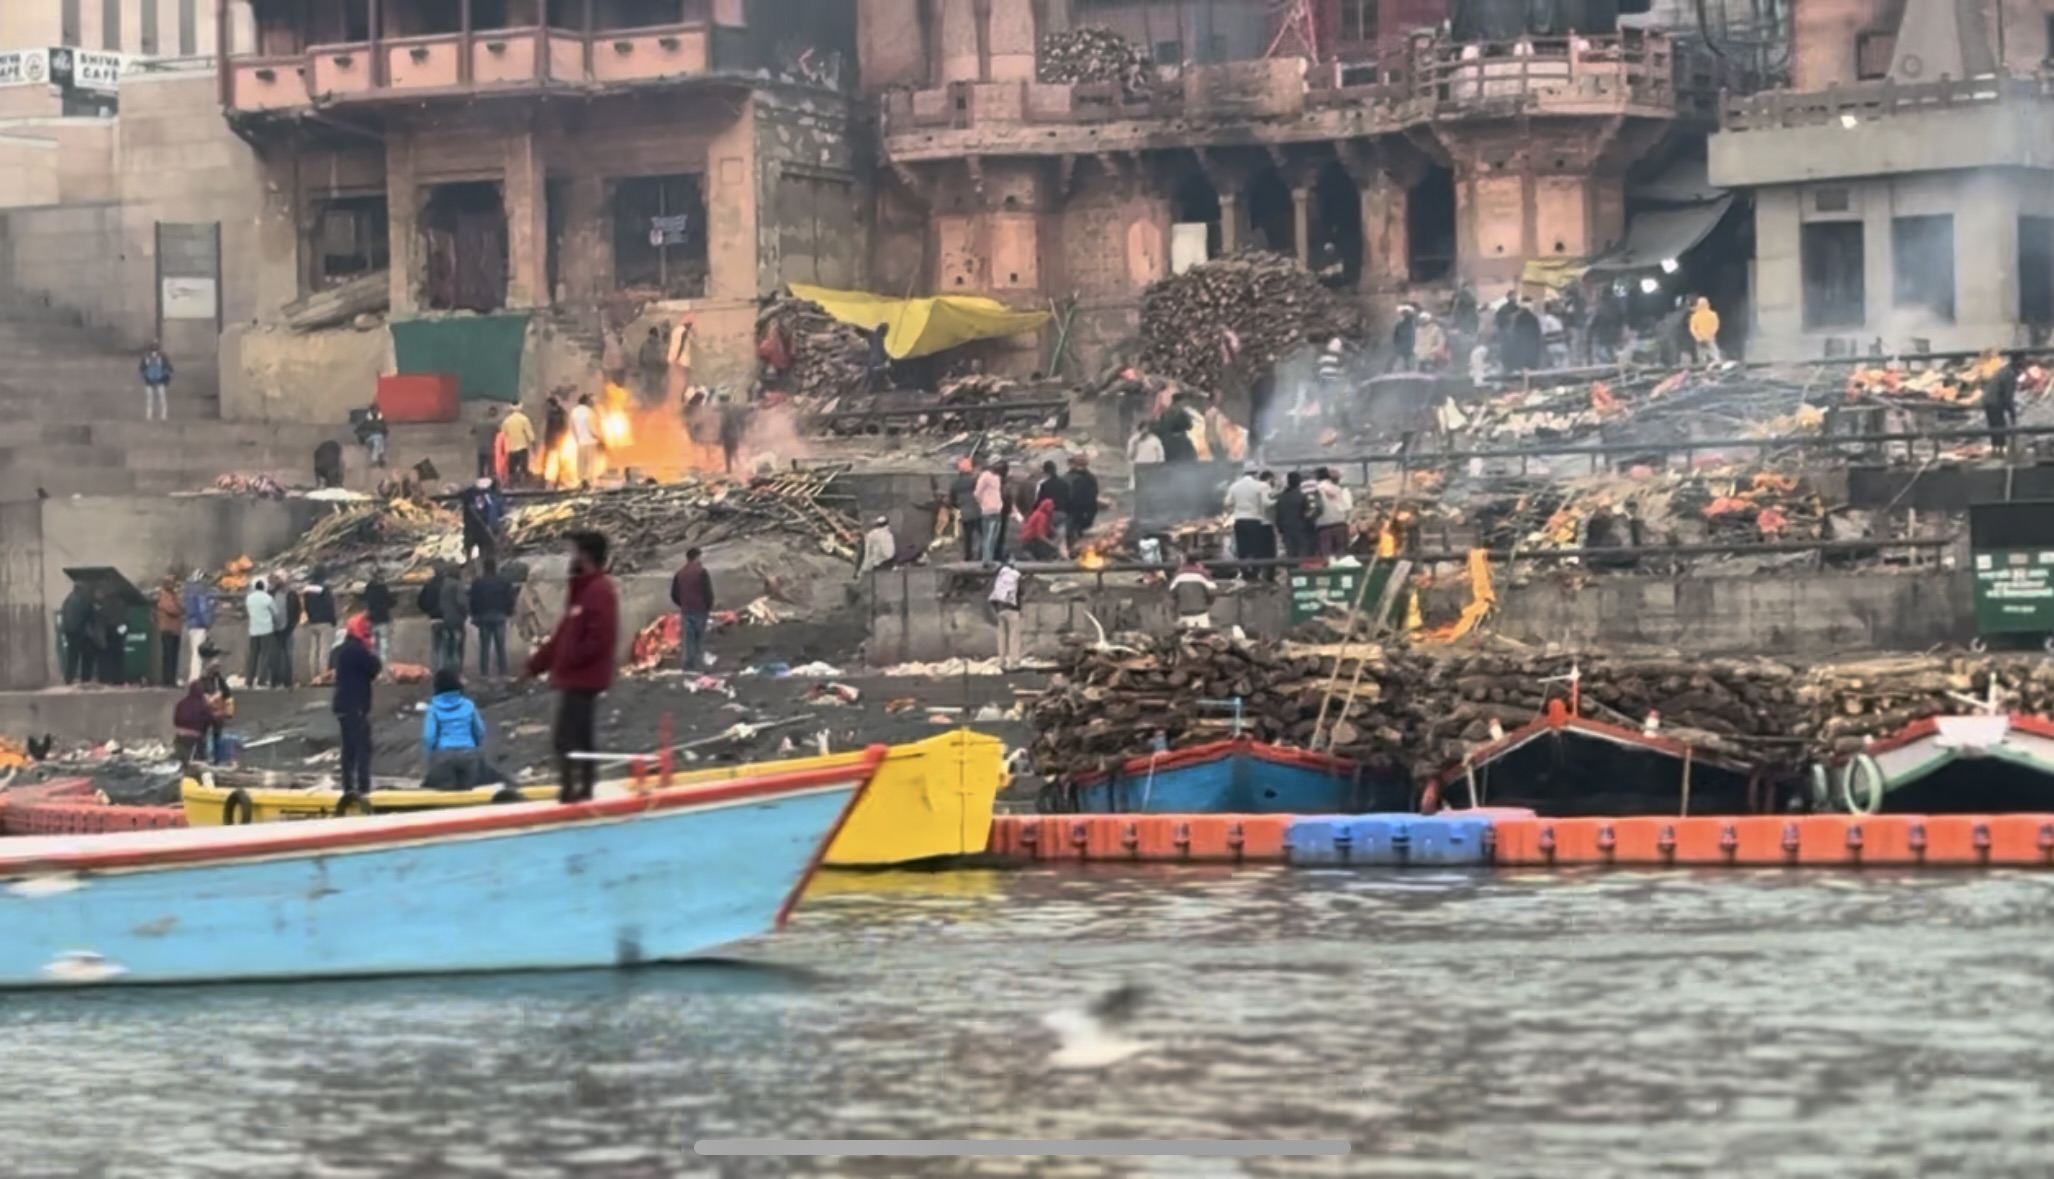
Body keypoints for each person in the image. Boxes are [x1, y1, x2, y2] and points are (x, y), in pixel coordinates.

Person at [526, 531, 620, 804]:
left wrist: (569, 660)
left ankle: (575, 792)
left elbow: (598, 638)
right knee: (579, 736)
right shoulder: (581, 590)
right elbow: (563, 636)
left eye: (574, 551)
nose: (571, 557)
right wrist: (537, 664)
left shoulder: (599, 590)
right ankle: (580, 789)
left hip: (584, 678)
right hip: (574, 676)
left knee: (567, 739)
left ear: (586, 555)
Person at [332, 613, 382, 799]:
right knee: (362, 746)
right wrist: (371, 649)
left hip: (344, 703)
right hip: (355, 705)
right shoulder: (356, 650)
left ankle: (348, 786)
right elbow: (374, 667)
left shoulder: (344, 649)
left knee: (349, 747)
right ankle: (362, 786)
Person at [422, 667, 489, 788]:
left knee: (446, 791)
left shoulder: (433, 708)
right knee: (468, 791)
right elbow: (479, 730)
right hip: (469, 753)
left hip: (443, 755)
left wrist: (430, 756)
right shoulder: (468, 705)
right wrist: (475, 747)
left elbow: (429, 737)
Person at [1225, 464, 1278, 581]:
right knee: (1255, 549)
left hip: (1239, 521)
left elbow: (1227, 503)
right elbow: (1266, 503)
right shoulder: (1260, 486)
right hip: (1254, 520)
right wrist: (1278, 500)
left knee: (1243, 549)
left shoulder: (1235, 486)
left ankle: (1245, 574)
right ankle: (1254, 572)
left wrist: (1238, 507)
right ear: (1255, 473)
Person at [469, 558, 516, 679]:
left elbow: (473, 600)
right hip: (500, 615)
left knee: (484, 646)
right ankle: (503, 672)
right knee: (500, 646)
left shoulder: (478, 582)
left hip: (484, 616)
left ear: (484, 569)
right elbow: (510, 598)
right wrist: (509, 612)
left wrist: (474, 615)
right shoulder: (504, 581)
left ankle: (484, 673)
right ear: (496, 568)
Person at [670, 546, 714, 672]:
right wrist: (708, 606)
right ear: (697, 557)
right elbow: (707, 591)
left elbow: (674, 594)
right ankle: (700, 663)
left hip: (686, 609)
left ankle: (688, 663)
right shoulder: (701, 572)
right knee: (700, 637)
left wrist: (682, 603)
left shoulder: (679, 574)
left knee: (688, 638)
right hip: (700, 608)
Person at [172, 679, 219, 770]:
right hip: (195, 738)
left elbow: (176, 720)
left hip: (180, 736)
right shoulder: (203, 705)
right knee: (199, 760)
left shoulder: (182, 703)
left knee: (180, 761)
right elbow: (212, 721)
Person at [988, 557, 1024, 671]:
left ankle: (1001, 661)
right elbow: (1021, 592)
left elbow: (993, 594)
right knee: (1014, 637)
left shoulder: (999, 576)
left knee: (1001, 637)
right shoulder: (1016, 576)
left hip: (1001, 610)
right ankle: (1014, 662)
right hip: (1013, 610)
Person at [59, 581, 96, 685]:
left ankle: (69, 678)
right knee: (87, 656)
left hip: (71, 633)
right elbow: (90, 615)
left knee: (72, 657)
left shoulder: (68, 599)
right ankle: (86, 679)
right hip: (82, 633)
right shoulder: (84, 599)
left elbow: (65, 616)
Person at [300, 573, 337, 676]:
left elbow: (305, 607)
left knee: (314, 649)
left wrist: (310, 618)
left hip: (313, 622)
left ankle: (313, 674)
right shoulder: (325, 589)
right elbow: (330, 605)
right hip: (325, 622)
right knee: (324, 649)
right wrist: (333, 620)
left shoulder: (307, 590)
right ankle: (323, 673)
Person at [244, 577, 278, 688]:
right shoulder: (267, 598)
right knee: (265, 656)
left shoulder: (249, 598)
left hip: (253, 630)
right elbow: (275, 612)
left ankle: (249, 680)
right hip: (266, 630)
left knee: (252, 656)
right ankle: (262, 680)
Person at [462, 478, 504, 564]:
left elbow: (498, 513)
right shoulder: (471, 497)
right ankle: (470, 566)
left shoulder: (493, 498)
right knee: (470, 548)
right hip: (473, 529)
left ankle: (487, 566)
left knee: (486, 549)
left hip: (487, 530)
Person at [1275, 471, 1317, 559]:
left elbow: (1278, 516)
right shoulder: (1302, 496)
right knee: (1304, 555)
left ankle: (1292, 572)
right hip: (1302, 530)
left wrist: (1281, 529)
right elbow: (1308, 513)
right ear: (1299, 482)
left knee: (1291, 555)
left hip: (1287, 530)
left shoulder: (1282, 497)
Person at [181, 572, 213, 685]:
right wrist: (207, 623)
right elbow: (203, 610)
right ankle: (196, 677)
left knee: (194, 651)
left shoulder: (188, 592)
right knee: (199, 653)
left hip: (191, 625)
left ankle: (193, 676)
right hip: (200, 625)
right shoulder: (200, 593)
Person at [1169, 556, 1218, 630]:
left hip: (1184, 614)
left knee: (1186, 638)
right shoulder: (1203, 574)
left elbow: (1171, 592)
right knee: (1205, 637)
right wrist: (1208, 603)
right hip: (1201, 614)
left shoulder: (1178, 575)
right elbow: (1213, 591)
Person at [1314, 468, 1354, 556]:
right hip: (1341, 525)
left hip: (1324, 526)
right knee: (1341, 554)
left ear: (1316, 477)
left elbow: (1317, 508)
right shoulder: (1338, 488)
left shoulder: (1317, 489)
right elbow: (1347, 506)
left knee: (1327, 556)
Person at [438, 564, 470, 673]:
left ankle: (448, 670)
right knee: (459, 647)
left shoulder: (443, 584)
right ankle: (458, 672)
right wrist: (465, 612)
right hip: (457, 620)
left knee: (448, 648)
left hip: (445, 619)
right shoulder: (457, 585)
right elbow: (462, 602)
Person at [975, 460, 1009, 563]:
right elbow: (977, 493)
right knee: (988, 536)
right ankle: (986, 559)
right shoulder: (985, 476)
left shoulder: (997, 478)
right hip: (988, 510)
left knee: (994, 536)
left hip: (997, 510)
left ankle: (991, 557)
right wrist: (982, 504)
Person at [154, 572, 184, 687]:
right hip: (167, 630)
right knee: (168, 656)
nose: (173, 585)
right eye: (171, 583)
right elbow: (173, 610)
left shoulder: (174, 596)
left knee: (174, 656)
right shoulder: (163, 596)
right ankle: (167, 680)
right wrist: (179, 608)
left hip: (176, 630)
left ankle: (172, 679)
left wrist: (179, 606)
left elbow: (182, 607)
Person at [950, 457, 982, 563]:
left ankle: (968, 557)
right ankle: (983, 555)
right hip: (977, 512)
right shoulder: (974, 481)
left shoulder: (955, 484)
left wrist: (959, 506)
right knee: (983, 535)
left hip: (965, 513)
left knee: (968, 537)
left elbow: (952, 500)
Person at [1985, 356, 2020, 450]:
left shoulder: (2004, 370)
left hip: (1989, 401)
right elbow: (2008, 397)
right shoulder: (2010, 374)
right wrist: (2012, 413)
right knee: (2000, 428)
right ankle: (2001, 450)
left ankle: (1996, 449)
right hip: (1995, 401)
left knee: (1994, 428)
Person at [1064, 454, 1100, 543]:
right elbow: (1092, 496)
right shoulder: (1090, 478)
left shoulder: (1069, 477)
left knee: (1074, 533)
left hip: (1074, 511)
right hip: (1082, 512)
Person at [271, 575, 299, 688]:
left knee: (285, 656)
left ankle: (285, 681)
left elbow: (297, 610)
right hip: (278, 629)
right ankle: (278, 681)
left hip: (285, 628)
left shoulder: (291, 595)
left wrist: (292, 624)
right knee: (279, 656)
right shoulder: (273, 595)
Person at [363, 569, 396, 664]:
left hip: (371, 620)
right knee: (384, 645)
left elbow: (365, 600)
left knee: (373, 646)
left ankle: (373, 667)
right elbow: (390, 601)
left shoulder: (368, 587)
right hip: (383, 619)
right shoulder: (383, 587)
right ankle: (383, 668)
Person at [570, 394, 602, 487]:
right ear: (587, 401)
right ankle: (589, 483)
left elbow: (572, 427)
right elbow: (592, 428)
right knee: (590, 465)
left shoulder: (574, 411)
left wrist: (577, 439)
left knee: (581, 465)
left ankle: (582, 480)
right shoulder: (589, 412)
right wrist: (600, 438)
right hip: (591, 441)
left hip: (580, 442)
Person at [139, 342, 173, 421]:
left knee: (160, 398)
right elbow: (142, 368)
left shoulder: (163, 357)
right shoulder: (145, 357)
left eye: (156, 349)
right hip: (149, 380)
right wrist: (144, 376)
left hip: (160, 380)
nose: (154, 352)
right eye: (153, 349)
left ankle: (163, 415)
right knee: (151, 398)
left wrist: (166, 376)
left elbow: (169, 368)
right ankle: (149, 415)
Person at [638, 326, 669, 401]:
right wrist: (641, 364)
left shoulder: (660, 345)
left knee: (655, 388)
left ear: (655, 335)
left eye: (652, 335)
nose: (651, 337)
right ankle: (646, 402)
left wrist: (664, 368)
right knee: (646, 387)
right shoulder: (645, 343)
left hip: (656, 370)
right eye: (650, 335)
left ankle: (654, 403)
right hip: (647, 369)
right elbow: (641, 354)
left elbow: (663, 357)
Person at [1689, 296, 1723, 365]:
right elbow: (1716, 326)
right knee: (1715, 356)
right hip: (1709, 339)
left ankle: (1703, 368)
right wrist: (1710, 335)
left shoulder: (1695, 316)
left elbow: (1692, 329)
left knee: (1702, 358)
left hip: (1702, 340)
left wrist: (1698, 338)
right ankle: (1717, 365)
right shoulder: (1713, 315)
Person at [355, 402, 390, 468]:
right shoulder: (366, 420)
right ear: (371, 411)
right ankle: (379, 458)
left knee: (379, 439)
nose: (375, 412)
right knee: (379, 438)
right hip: (369, 438)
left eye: (376, 410)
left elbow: (385, 430)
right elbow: (358, 430)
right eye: (374, 410)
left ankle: (376, 459)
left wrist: (384, 433)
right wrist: (363, 437)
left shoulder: (381, 419)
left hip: (379, 439)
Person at [473, 406, 502, 480]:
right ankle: (490, 483)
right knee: (490, 469)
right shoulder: (493, 424)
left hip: (481, 449)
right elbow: (499, 433)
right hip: (490, 450)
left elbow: (472, 432)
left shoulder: (478, 422)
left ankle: (480, 482)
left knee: (481, 469)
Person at [1390, 306, 1418, 372]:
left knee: (1408, 357)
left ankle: (1409, 367)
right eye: (1404, 314)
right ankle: (1390, 369)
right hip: (1403, 344)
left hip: (1408, 344)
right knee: (1399, 356)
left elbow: (1414, 335)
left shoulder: (1412, 325)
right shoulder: (1400, 325)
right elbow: (1396, 335)